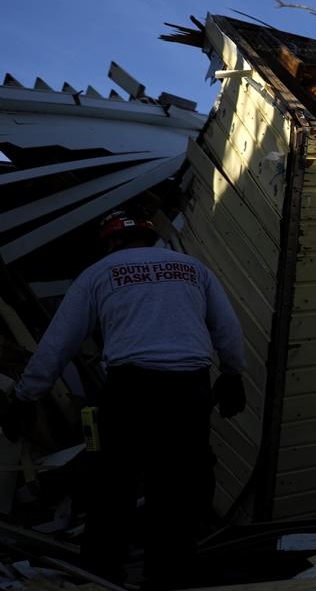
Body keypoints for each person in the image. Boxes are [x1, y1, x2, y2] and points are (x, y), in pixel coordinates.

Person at [1, 209, 246, 588]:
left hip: (131, 390)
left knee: (115, 484)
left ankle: (103, 573)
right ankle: (168, 573)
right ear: (148, 237)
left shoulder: (100, 273)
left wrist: (24, 396)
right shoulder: (192, 269)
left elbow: (58, 343)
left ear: (112, 241)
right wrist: (232, 374)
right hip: (188, 389)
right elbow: (227, 327)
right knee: (178, 485)